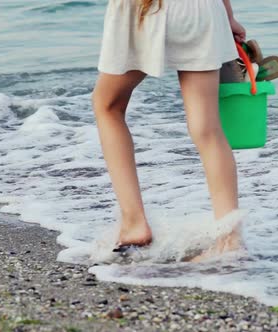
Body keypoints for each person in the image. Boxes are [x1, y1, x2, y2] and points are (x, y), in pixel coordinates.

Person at [92, 0, 246, 259]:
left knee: (108, 106)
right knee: (207, 129)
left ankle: (134, 223)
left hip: (143, 9)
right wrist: (228, 17)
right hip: (201, 10)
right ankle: (230, 240)